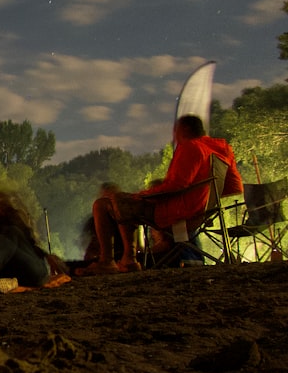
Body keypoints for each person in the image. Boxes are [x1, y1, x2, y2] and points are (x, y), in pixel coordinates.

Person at [77, 115, 243, 276]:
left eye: (175, 131)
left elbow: (176, 185)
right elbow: (235, 187)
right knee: (123, 203)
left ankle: (109, 261)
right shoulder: (222, 149)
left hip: (177, 212)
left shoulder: (191, 146)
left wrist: (143, 195)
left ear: (184, 129)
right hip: (201, 212)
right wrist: (207, 203)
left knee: (103, 204)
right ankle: (129, 259)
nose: (174, 136)